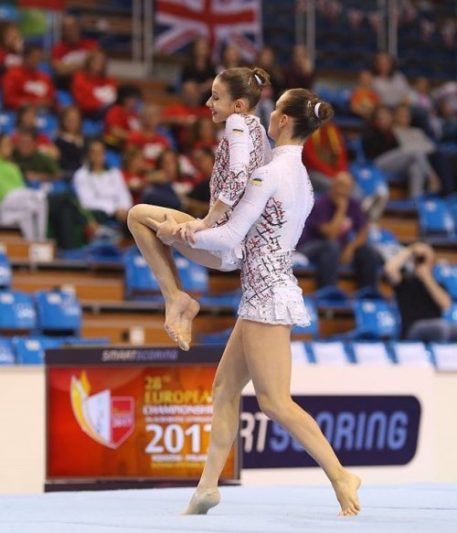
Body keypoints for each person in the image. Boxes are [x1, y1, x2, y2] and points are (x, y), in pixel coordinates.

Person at [148, 88, 361, 516]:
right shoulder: (302, 178)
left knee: (275, 402)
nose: (268, 115)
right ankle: (207, 488)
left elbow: (230, 236)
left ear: (282, 121)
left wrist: (180, 234)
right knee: (224, 390)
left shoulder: (270, 174)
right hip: (263, 291)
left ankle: (341, 474)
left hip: (267, 296)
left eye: (275, 109)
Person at [127, 67, 272, 350]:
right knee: (143, 218)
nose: (208, 103)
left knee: (137, 217)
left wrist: (206, 222)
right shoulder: (259, 131)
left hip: (224, 241)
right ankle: (175, 298)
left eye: (215, 97)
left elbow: (238, 176)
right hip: (239, 241)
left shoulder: (237, 123)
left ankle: (175, 298)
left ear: (238, 105)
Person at [297, 172, 381, 289]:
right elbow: (331, 235)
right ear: (333, 186)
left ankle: (368, 292)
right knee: (332, 247)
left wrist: (350, 248)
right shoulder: (320, 203)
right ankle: (328, 290)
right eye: (340, 185)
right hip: (309, 247)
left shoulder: (353, 204)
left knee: (367, 251)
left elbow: (363, 232)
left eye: (346, 187)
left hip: (337, 247)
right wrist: (341, 209)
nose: (342, 190)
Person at [384, 242, 457, 341]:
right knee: (440, 327)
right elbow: (389, 270)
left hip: (436, 325)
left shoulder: (437, 284)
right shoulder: (405, 282)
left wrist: (426, 277)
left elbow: (446, 305)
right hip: (413, 328)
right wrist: (411, 249)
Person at [0, 134, 48, 241]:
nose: (10, 147)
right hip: (5, 199)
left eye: (10, 145)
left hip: (18, 198)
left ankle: (34, 241)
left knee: (32, 207)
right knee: (38, 198)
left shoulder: (13, 167)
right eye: (6, 145)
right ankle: (40, 239)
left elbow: (21, 187)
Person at [2, 43, 55, 111]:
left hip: (44, 112)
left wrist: (49, 103)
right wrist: (33, 103)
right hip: (20, 112)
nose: (36, 61)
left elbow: (53, 99)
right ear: (25, 57)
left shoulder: (45, 77)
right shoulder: (12, 75)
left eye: (39, 58)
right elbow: (9, 99)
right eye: (33, 57)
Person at [51, 15, 98, 90]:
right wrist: (86, 63)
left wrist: (69, 67)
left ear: (78, 28)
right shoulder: (57, 49)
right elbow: (61, 70)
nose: (70, 32)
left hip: (90, 81)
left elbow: (97, 66)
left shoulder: (91, 45)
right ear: (63, 32)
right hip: (68, 83)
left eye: (73, 28)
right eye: (66, 29)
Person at [71, 49, 117, 117]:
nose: (99, 63)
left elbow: (112, 99)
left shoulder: (109, 80)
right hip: (85, 112)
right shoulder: (79, 77)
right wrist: (100, 102)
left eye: (102, 61)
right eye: (95, 61)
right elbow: (83, 101)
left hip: (105, 111)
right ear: (89, 62)